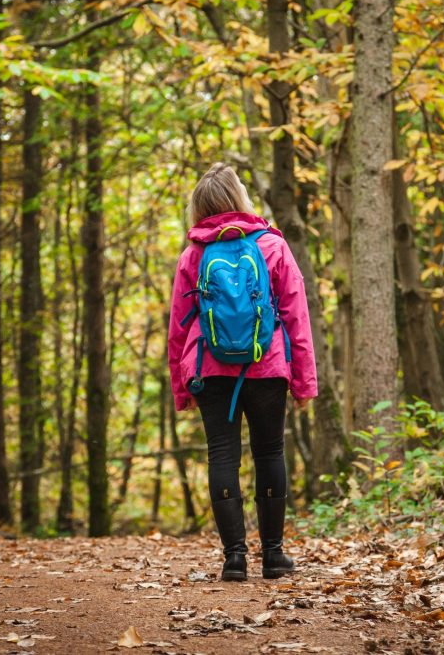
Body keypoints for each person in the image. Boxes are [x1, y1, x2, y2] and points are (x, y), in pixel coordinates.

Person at [167, 163, 317, 582]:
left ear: (199, 206)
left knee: (222, 455)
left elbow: (178, 327)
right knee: (269, 452)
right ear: (240, 198)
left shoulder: (193, 255)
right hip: (267, 366)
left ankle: (234, 558)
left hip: (210, 369)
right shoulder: (272, 246)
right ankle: (273, 556)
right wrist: (304, 381)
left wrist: (181, 389)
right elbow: (296, 317)